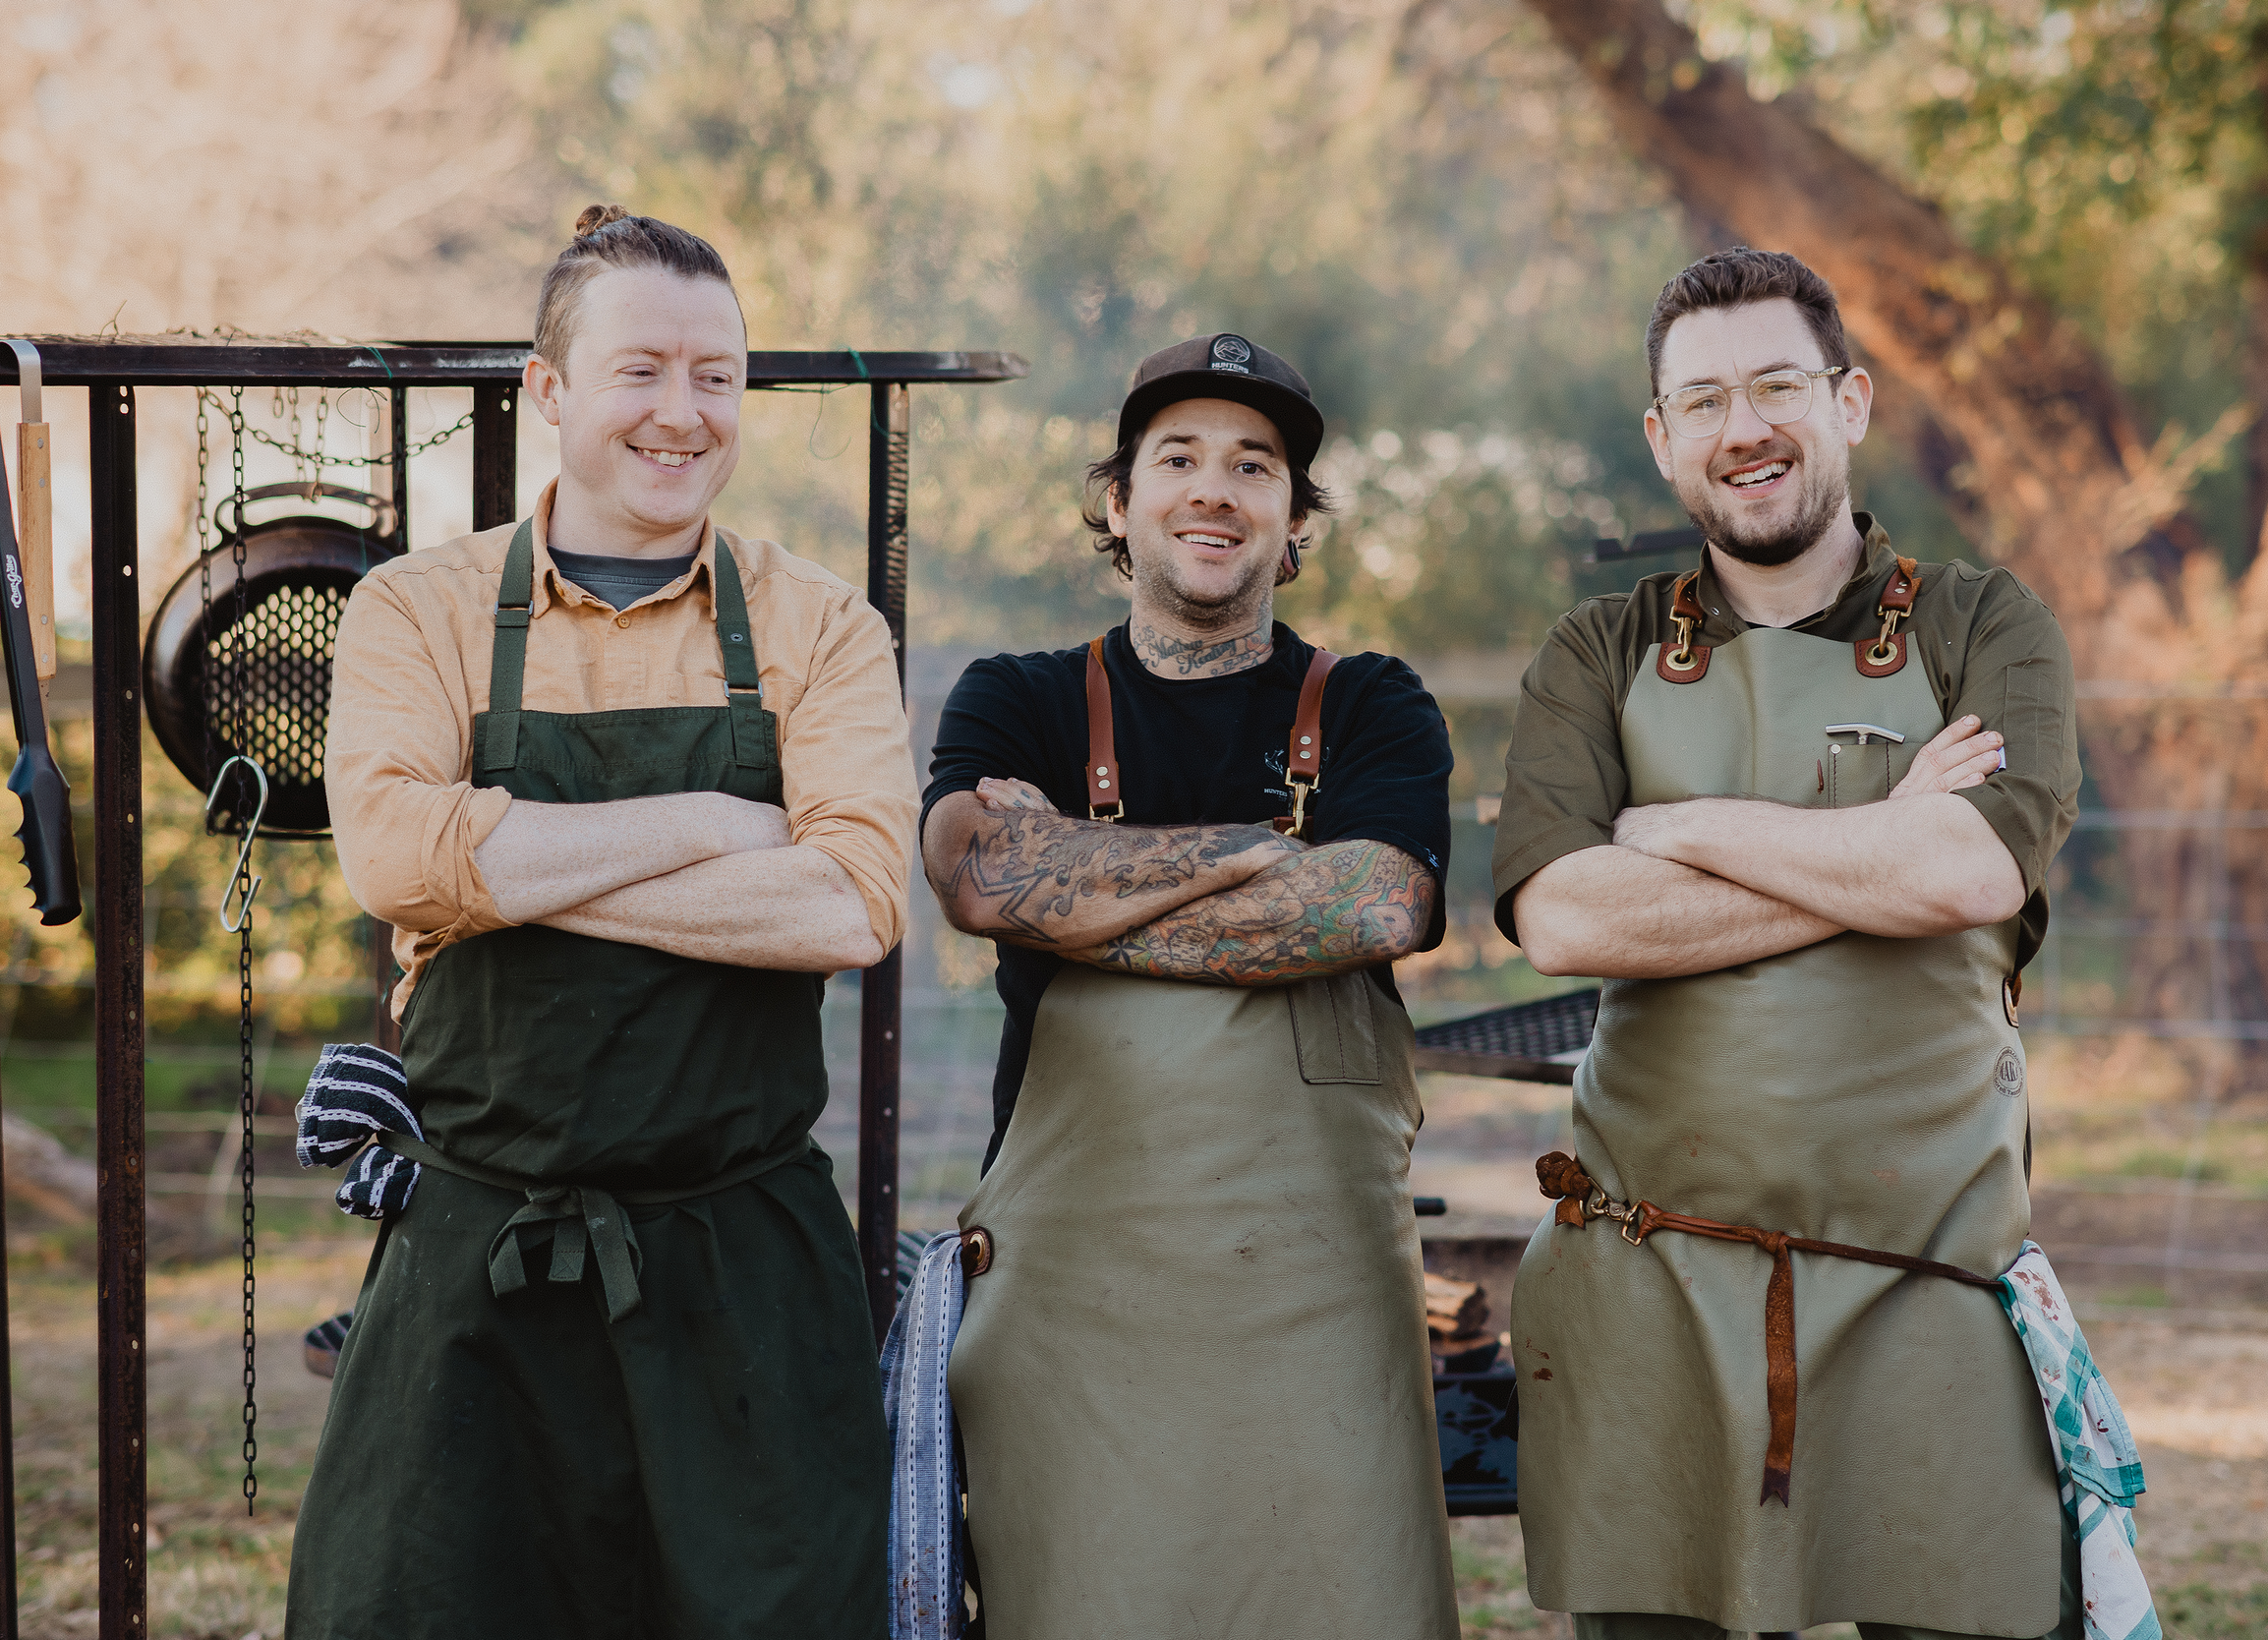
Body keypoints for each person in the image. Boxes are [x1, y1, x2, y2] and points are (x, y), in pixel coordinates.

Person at [289, 205, 914, 1640]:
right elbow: (396, 858)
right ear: (550, 390)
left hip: (743, 1269)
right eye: (641, 371)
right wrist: (709, 822)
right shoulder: (418, 611)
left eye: (717, 377)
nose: (682, 414)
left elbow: (852, 900)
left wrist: (509, 863)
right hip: (477, 1259)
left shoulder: (820, 628)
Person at [1495, 248, 2091, 1640]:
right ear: (1661, 438)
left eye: (1776, 385)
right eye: (1701, 400)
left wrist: (1672, 824)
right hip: (1649, 1281)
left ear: (1851, 401)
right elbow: (1564, 916)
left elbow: (1970, 865)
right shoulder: (1598, 650)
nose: (1742, 427)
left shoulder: (1984, 623)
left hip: (1927, 1280)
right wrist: (1875, 847)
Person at [922, 334, 1462, 1639]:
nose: (1213, 489)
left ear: (1292, 524)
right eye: (1178, 458)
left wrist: (1087, 884)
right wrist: (1261, 852)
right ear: (1119, 502)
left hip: (1318, 1301)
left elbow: (1380, 902)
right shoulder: (1019, 696)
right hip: (1076, 1312)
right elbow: (983, 878)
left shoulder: (1376, 704)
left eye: (1254, 466)